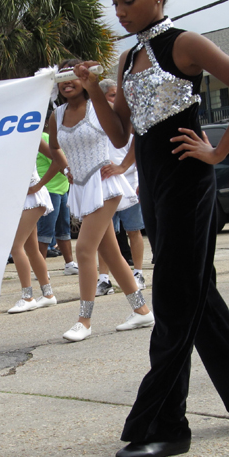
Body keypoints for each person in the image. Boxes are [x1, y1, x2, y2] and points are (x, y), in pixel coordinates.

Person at [75, 0, 229, 457]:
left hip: (190, 187)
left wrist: (218, 151)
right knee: (196, 297)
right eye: (114, 2)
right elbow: (122, 135)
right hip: (156, 189)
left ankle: (166, 424)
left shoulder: (182, 43)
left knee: (171, 300)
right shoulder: (128, 59)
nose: (119, 10)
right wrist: (94, 89)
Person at [48, 58, 154, 343]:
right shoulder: (56, 115)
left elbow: (132, 136)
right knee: (110, 254)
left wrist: (122, 167)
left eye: (73, 76)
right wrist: (67, 167)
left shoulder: (97, 107)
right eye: (62, 78)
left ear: (84, 79)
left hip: (105, 184)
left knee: (83, 250)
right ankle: (142, 310)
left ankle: (84, 320)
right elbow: (55, 147)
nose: (68, 82)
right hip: (81, 188)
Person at [96, 79, 148, 293]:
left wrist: (123, 167)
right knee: (103, 236)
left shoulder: (125, 122)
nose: (116, 100)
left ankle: (138, 273)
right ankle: (104, 279)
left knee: (133, 232)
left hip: (128, 186)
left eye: (118, 95)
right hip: (103, 190)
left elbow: (139, 146)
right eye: (111, 95)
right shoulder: (94, 123)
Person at [7, 138, 66, 314]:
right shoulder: (3, 134)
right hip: (21, 198)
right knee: (31, 248)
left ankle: (27, 297)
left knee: (16, 247)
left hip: (32, 197)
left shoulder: (31, 133)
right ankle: (48, 295)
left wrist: (39, 185)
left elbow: (60, 161)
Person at [36, 128, 77, 275]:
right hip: (49, 190)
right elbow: (57, 162)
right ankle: (40, 269)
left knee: (63, 229)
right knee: (45, 232)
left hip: (61, 189)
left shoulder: (50, 137)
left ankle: (69, 264)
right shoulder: (43, 137)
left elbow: (62, 162)